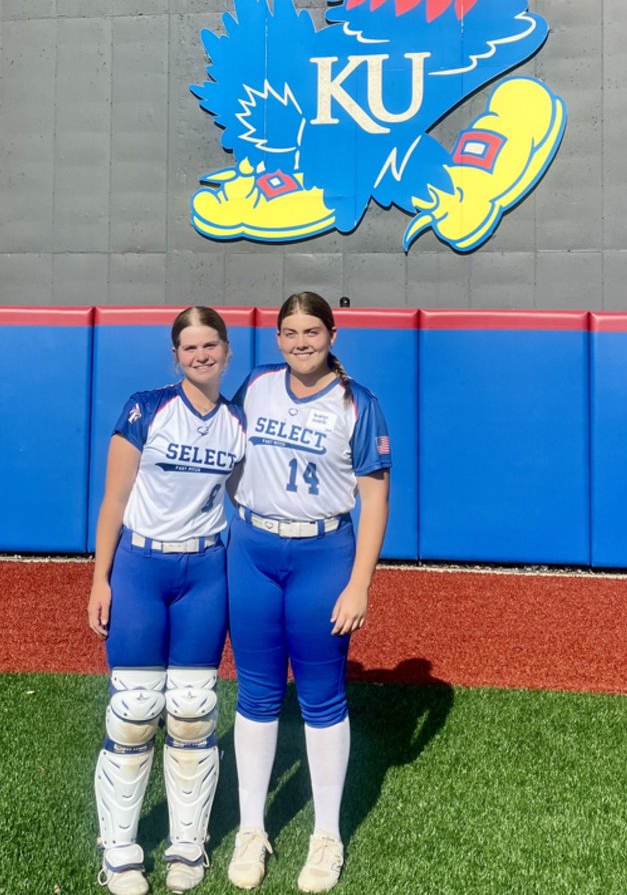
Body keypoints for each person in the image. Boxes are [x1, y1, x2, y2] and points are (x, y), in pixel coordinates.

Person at [225, 291, 391, 893]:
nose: (301, 342)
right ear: (277, 339)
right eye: (290, 332)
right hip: (252, 552)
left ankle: (326, 836)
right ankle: (251, 828)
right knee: (257, 694)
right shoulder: (256, 385)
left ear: (332, 334)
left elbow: (374, 499)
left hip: (323, 555)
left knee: (321, 698)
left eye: (311, 332)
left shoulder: (357, 402)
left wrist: (360, 584)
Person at [87, 307, 245, 895]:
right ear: (175, 355)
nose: (201, 355)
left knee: (192, 709)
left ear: (227, 351)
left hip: (205, 569)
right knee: (133, 712)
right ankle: (120, 850)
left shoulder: (240, 422)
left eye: (211, 345)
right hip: (141, 566)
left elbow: (250, 499)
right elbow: (113, 501)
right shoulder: (145, 409)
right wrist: (100, 578)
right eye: (189, 348)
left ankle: (187, 847)